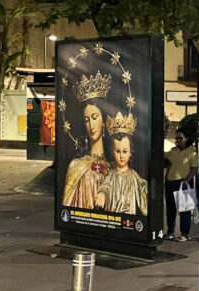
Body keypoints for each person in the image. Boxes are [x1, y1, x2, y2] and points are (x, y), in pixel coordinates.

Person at [63, 71, 112, 209]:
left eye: (95, 117)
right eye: (87, 120)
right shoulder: (76, 167)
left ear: (103, 120)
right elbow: (69, 208)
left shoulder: (114, 167)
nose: (91, 125)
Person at [94, 112, 148, 216]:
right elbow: (106, 187)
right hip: (115, 216)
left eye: (125, 151)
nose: (121, 156)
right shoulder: (111, 175)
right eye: (118, 151)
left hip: (130, 217)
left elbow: (142, 187)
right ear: (112, 152)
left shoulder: (133, 175)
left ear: (130, 152)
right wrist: (102, 195)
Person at [163, 128, 198, 241]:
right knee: (170, 209)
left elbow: (194, 168)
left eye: (180, 138)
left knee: (184, 209)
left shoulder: (192, 152)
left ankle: (184, 233)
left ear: (187, 138)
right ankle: (170, 231)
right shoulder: (173, 151)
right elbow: (168, 163)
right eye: (176, 138)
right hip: (170, 182)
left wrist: (187, 180)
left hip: (183, 183)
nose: (177, 140)